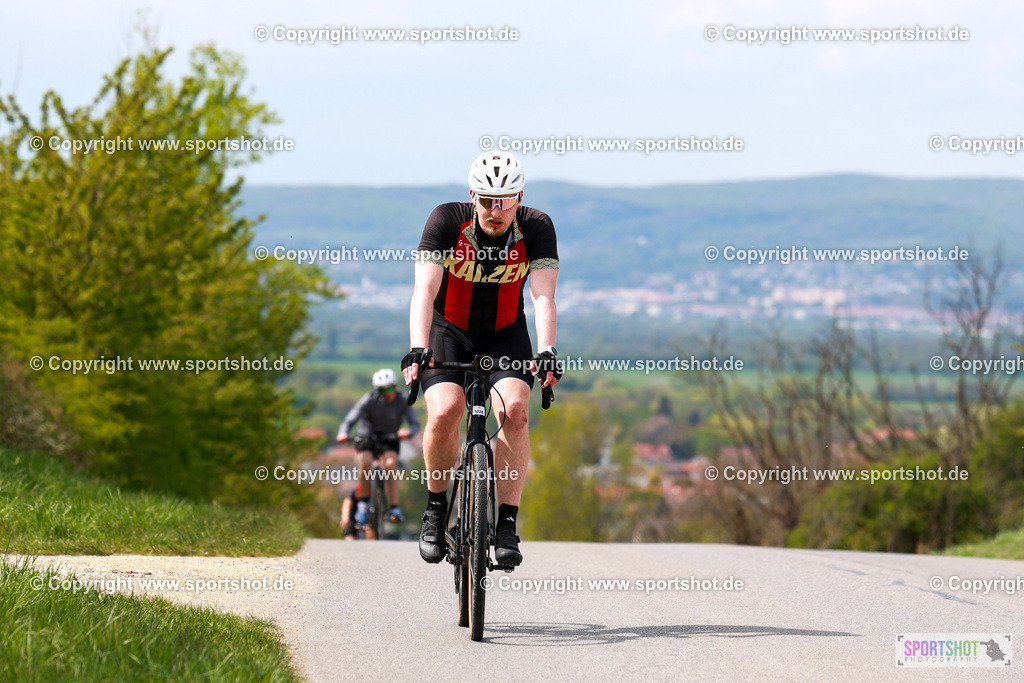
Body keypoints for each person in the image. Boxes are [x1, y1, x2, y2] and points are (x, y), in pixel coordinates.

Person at [401, 151, 561, 567]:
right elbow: (424, 291)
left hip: (505, 334)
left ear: (519, 197)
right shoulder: (446, 221)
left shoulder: (537, 226)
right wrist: (419, 347)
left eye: (505, 200)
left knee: (518, 410)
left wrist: (546, 350)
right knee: (446, 410)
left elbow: (543, 295)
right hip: (448, 331)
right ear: (472, 196)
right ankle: (436, 510)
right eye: (487, 200)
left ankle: (506, 523)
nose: (495, 210)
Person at [337, 368, 419, 523]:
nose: (387, 393)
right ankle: (363, 501)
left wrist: (408, 432)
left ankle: (395, 507)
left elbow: (415, 423)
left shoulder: (402, 400)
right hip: (367, 437)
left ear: (395, 386)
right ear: (377, 390)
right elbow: (350, 420)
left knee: (391, 464)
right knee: (365, 461)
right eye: (382, 390)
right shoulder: (369, 400)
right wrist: (343, 433)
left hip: (390, 438)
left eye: (390, 388)